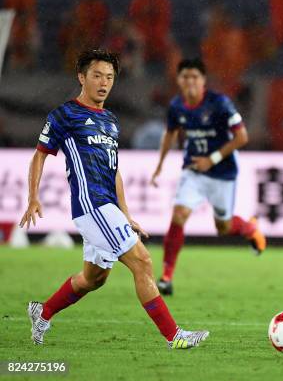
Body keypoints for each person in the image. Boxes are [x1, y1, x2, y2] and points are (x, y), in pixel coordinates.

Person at [20, 49, 208, 349]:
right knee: (143, 262)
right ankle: (175, 337)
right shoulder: (64, 115)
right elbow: (39, 155)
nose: (104, 82)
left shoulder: (109, 120)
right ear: (82, 77)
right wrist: (33, 197)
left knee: (93, 279)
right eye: (97, 75)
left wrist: (126, 215)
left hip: (108, 208)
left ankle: (42, 312)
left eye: (109, 77)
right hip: (91, 206)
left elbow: (114, 171)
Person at [150, 58, 266, 296]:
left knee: (222, 227)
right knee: (179, 214)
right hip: (193, 170)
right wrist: (160, 164)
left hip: (222, 173)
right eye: (185, 77)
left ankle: (248, 228)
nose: (190, 81)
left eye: (195, 77)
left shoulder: (220, 103)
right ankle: (166, 277)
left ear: (203, 81)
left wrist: (211, 159)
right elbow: (170, 134)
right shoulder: (176, 106)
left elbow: (242, 137)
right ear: (179, 80)